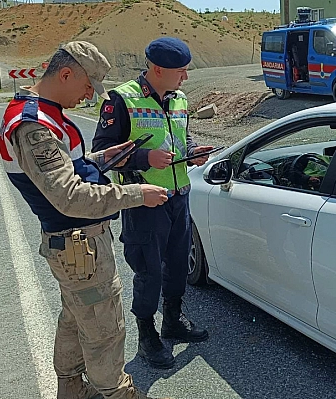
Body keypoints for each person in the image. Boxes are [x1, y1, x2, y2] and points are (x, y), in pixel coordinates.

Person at [0, 41, 171, 399]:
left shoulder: (43, 112)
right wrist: (137, 196)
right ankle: (116, 392)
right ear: (65, 74)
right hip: (79, 243)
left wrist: (101, 158)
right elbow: (69, 196)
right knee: (105, 328)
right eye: (87, 86)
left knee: (77, 317)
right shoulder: (34, 126)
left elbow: (64, 168)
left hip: (75, 244)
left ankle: (73, 388)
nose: (90, 96)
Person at [92, 37, 211, 370]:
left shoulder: (180, 99)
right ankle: (147, 338)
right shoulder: (121, 99)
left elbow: (180, 140)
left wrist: (193, 152)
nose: (185, 77)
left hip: (178, 197)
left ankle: (172, 320)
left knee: (177, 267)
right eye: (180, 71)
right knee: (149, 273)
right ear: (157, 69)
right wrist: (145, 157)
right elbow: (103, 156)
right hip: (143, 201)